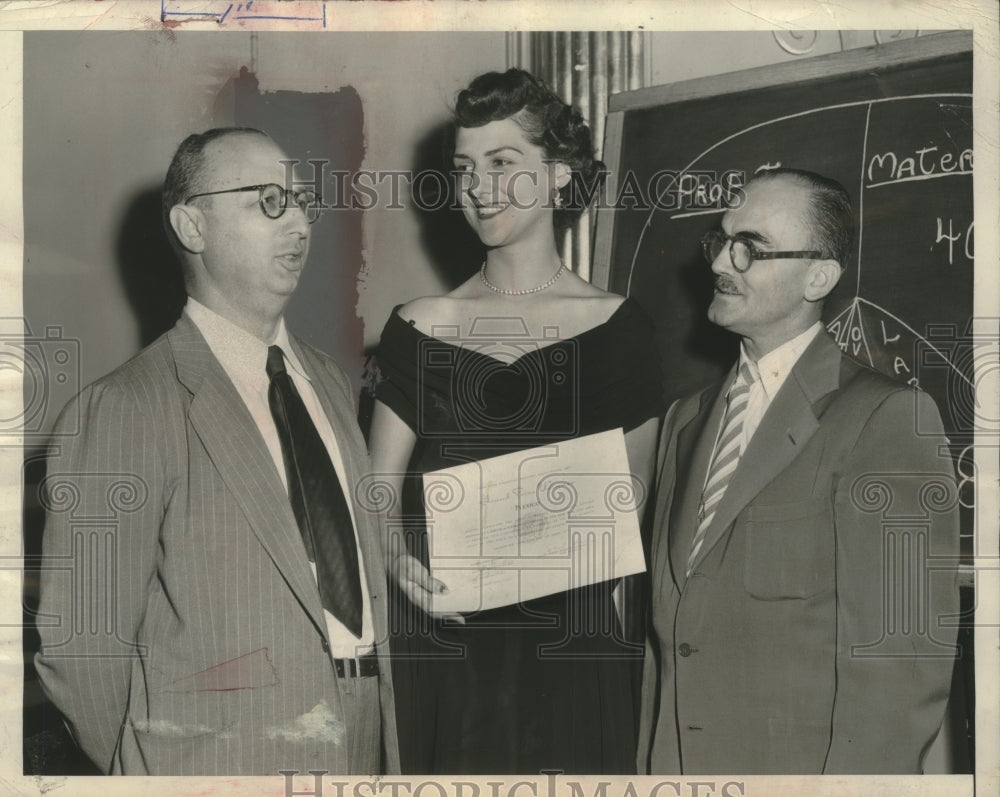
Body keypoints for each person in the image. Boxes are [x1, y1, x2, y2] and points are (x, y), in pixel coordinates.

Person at [34, 127, 399, 776]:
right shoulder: (125, 407)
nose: (298, 221)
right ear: (191, 225)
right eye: (267, 201)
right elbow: (81, 651)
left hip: (363, 742)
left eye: (299, 201)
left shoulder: (329, 382)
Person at [369, 69, 665, 774]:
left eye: (504, 163)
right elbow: (375, 489)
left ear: (560, 176)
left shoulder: (623, 328)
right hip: (447, 649)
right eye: (466, 169)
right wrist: (390, 554)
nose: (480, 186)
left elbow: (633, 497)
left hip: (574, 653)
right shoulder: (413, 328)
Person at [637, 168, 960, 774]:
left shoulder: (885, 419)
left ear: (819, 276)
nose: (719, 263)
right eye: (720, 240)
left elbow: (902, 661)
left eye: (749, 248)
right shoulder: (684, 420)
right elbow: (670, 646)